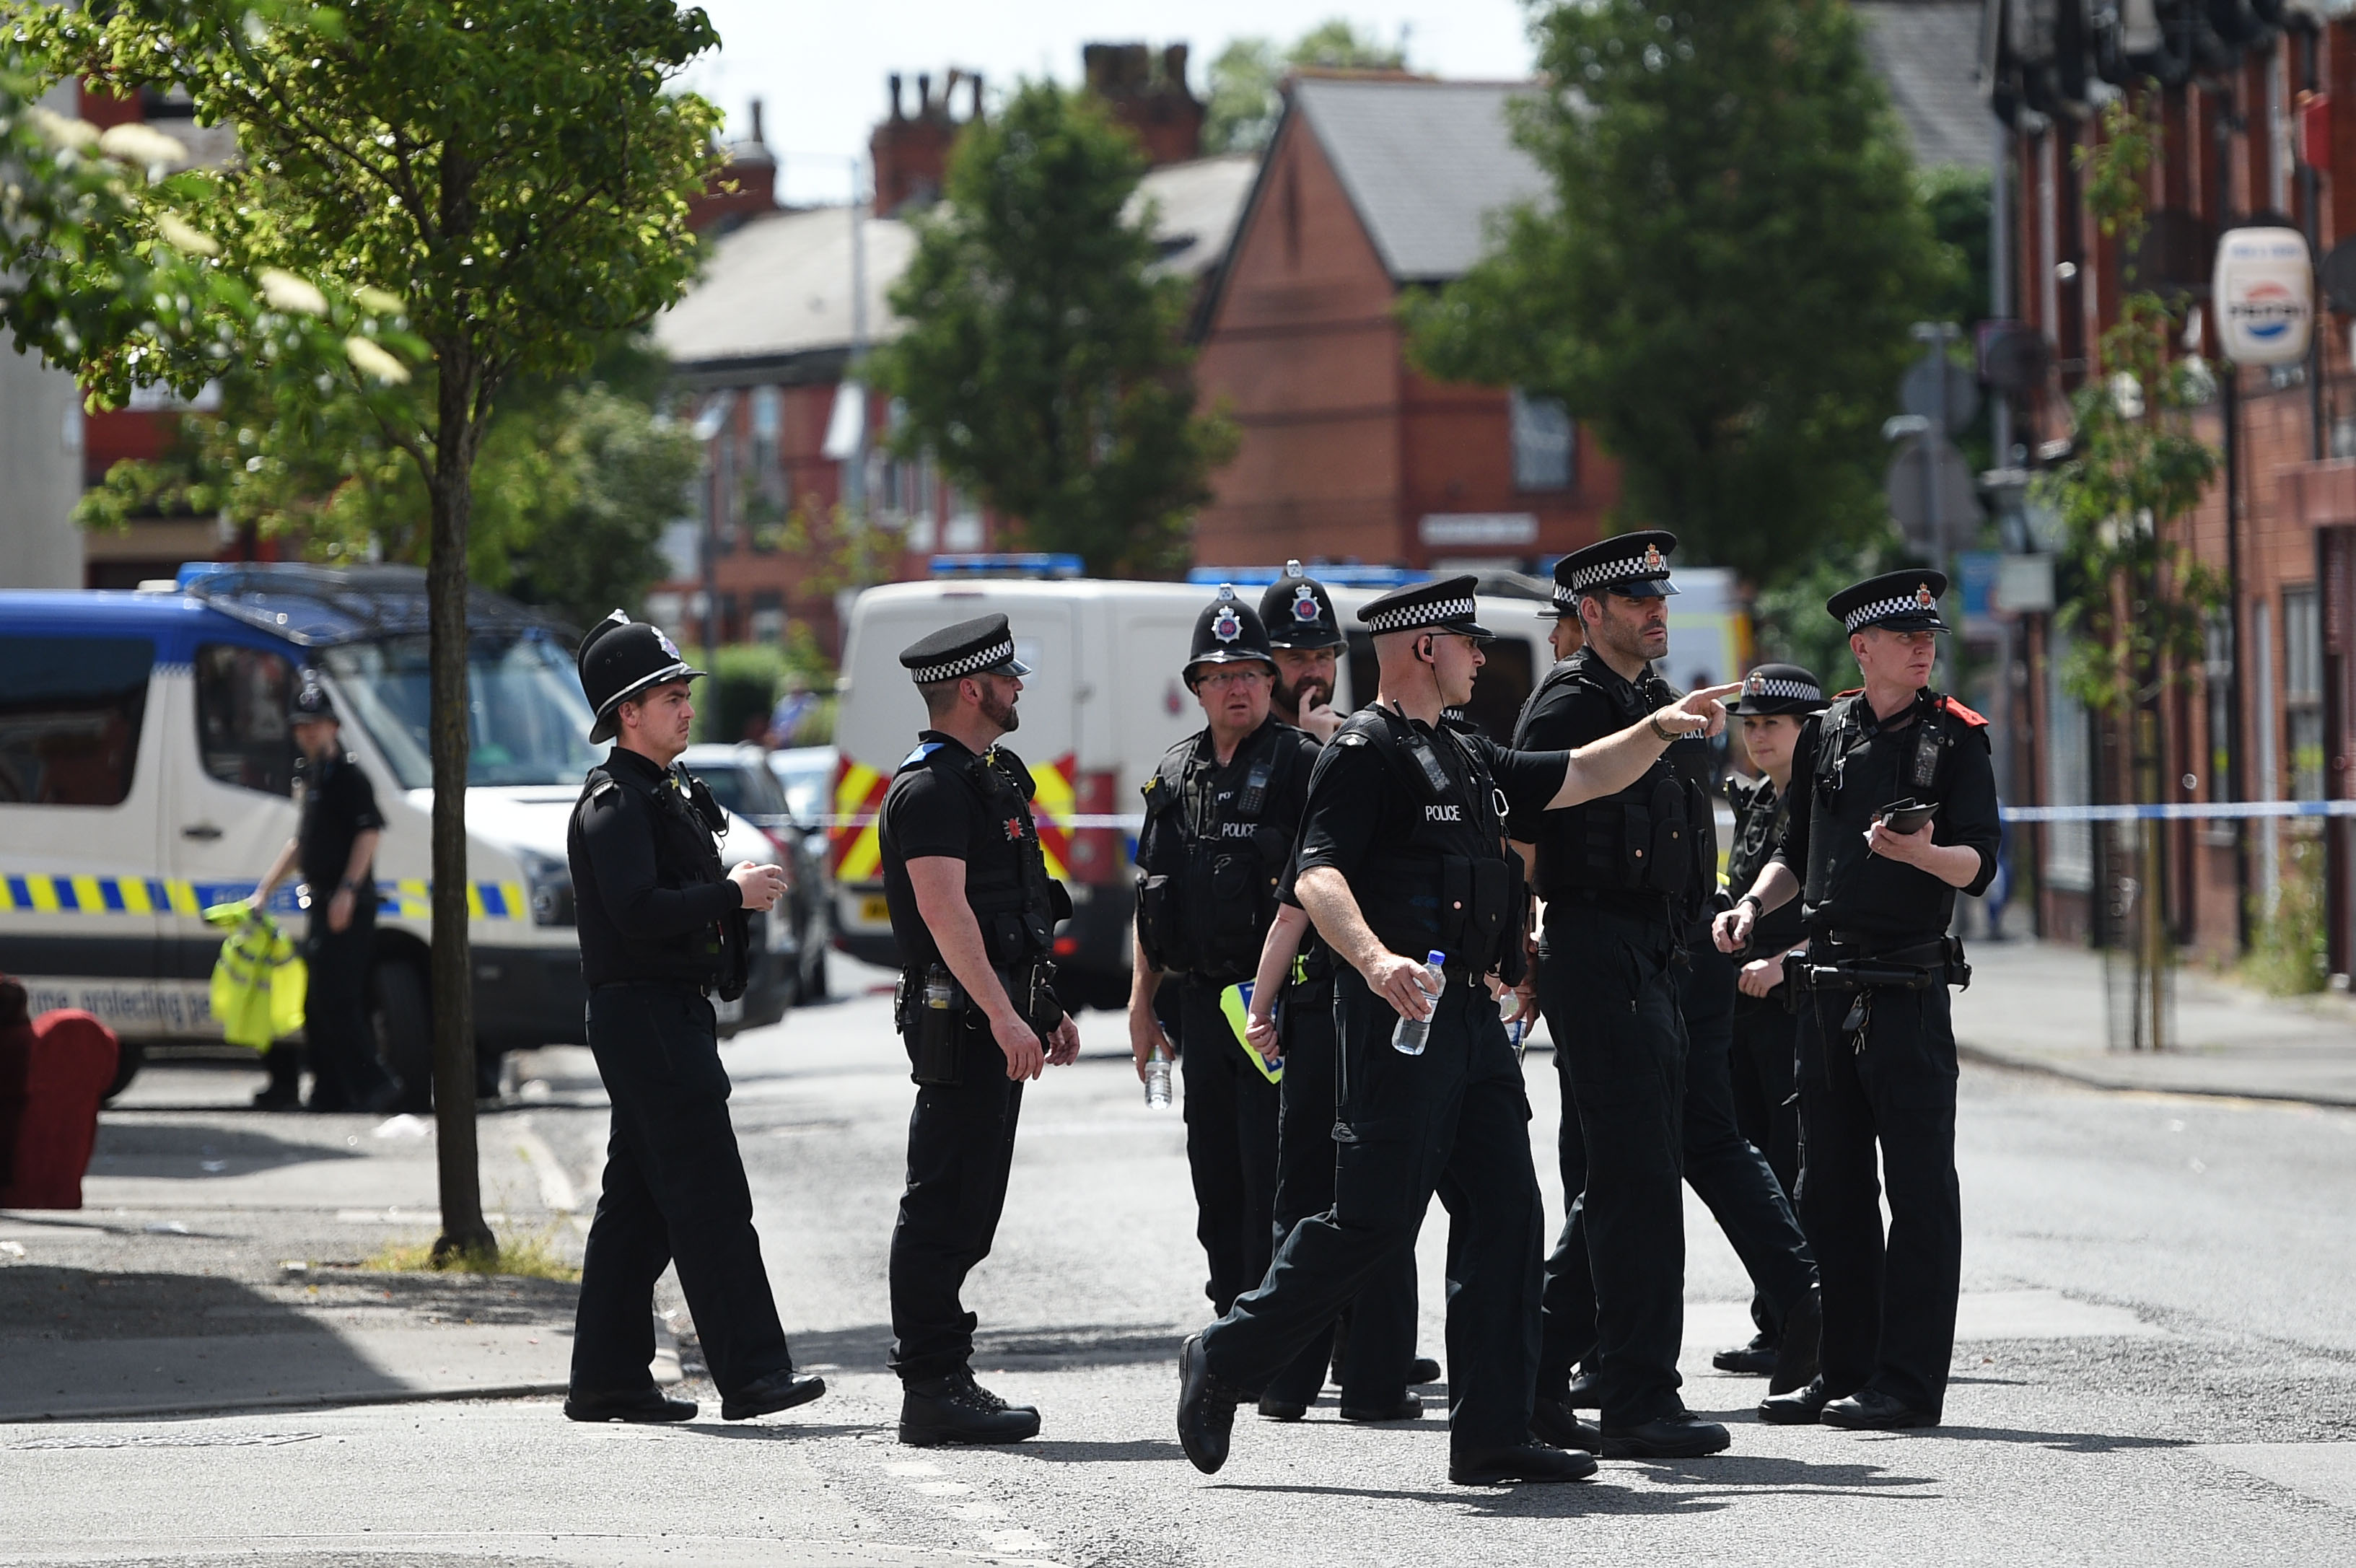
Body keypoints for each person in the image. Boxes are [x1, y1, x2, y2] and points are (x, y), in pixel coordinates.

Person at [1174, 575, 1738, 1488]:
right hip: (1402, 1018)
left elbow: (1581, 774)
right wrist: (1371, 960)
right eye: (1470, 643)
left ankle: (1492, 1431)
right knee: (1368, 1221)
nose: (1483, 658)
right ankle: (1225, 1355)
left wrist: (1663, 727)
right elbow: (1316, 879)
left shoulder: (1466, 750)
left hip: (1469, 1017)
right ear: (1425, 647)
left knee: (1507, 1216)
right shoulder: (1365, 750)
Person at [1515, 534, 1814, 1458]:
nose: (1657, 611)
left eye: (1661, 598)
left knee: (1627, 1177)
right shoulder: (1570, 700)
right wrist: (1518, 950)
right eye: (1635, 599)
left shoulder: (1653, 699)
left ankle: (1532, 1376)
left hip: (1661, 954)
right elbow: (1520, 832)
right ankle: (1634, 1394)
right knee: (1633, 1178)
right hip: (1596, 947)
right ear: (1589, 612)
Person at [1716, 570, 1999, 1432]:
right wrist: (1754, 905)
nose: (1924, 647)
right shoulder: (1828, 733)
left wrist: (1921, 856)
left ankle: (1908, 1385)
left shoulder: (1953, 741)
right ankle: (1841, 1370)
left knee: (1917, 1194)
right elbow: (1795, 853)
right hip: (1826, 987)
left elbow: (1980, 866)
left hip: (1906, 988)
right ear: (1861, 648)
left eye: (1929, 637)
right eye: (1906, 636)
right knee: (1827, 1189)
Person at [564, 610, 823, 1427]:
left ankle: (606, 1379)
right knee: (709, 1196)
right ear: (625, 713)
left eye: (684, 692)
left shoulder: (659, 791)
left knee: (637, 1208)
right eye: (667, 695)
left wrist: (726, 884)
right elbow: (637, 910)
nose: (685, 706)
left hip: (664, 1013)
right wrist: (731, 893)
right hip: (644, 1015)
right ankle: (752, 1374)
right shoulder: (614, 800)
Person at [880, 613, 1082, 1445]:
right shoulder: (928, 788)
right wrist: (1001, 1016)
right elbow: (944, 910)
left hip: (993, 1020)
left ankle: (944, 1379)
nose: (1018, 687)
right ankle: (931, 1386)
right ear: (973, 688)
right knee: (943, 1204)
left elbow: (1012, 909)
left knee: (970, 1207)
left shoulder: (988, 776)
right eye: (1008, 678)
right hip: (960, 1024)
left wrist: (1045, 1011)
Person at [1128, 589, 1321, 1328]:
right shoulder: (1175, 775)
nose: (1236, 686)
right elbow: (1153, 899)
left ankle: (1286, 1330)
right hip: (1206, 1010)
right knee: (1215, 1173)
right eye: (1219, 675)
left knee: (1281, 1175)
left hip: (1284, 1012)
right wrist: (1141, 1004)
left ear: (1270, 680)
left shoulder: (1306, 765)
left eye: (1248, 671)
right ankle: (1231, 1317)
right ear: (1196, 689)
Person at [1715, 662, 1824, 1374]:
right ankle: (1774, 1319)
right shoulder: (1759, 803)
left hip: (1798, 1007)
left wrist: (1787, 961)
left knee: (1795, 1169)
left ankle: (1805, 1324)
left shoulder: (1823, 804)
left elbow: (1851, 907)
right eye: (1748, 725)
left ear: (1806, 730)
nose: (1756, 736)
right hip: (1742, 1012)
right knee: (1755, 1169)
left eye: (1771, 724)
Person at [250, 678, 399, 1114]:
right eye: (302, 726)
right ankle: (330, 1090)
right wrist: (265, 890)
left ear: (334, 727)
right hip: (321, 899)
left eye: (317, 725)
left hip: (345, 901)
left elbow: (368, 834)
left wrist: (349, 892)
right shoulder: (314, 777)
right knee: (317, 1001)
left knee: (339, 999)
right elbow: (302, 843)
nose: (309, 733)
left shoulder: (350, 777)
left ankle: (373, 1084)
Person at [1259, 560, 1346, 743]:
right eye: (1296, 658)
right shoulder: (1244, 745)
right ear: (1268, 668)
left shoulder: (1356, 738)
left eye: (1323, 657)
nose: (1314, 672)